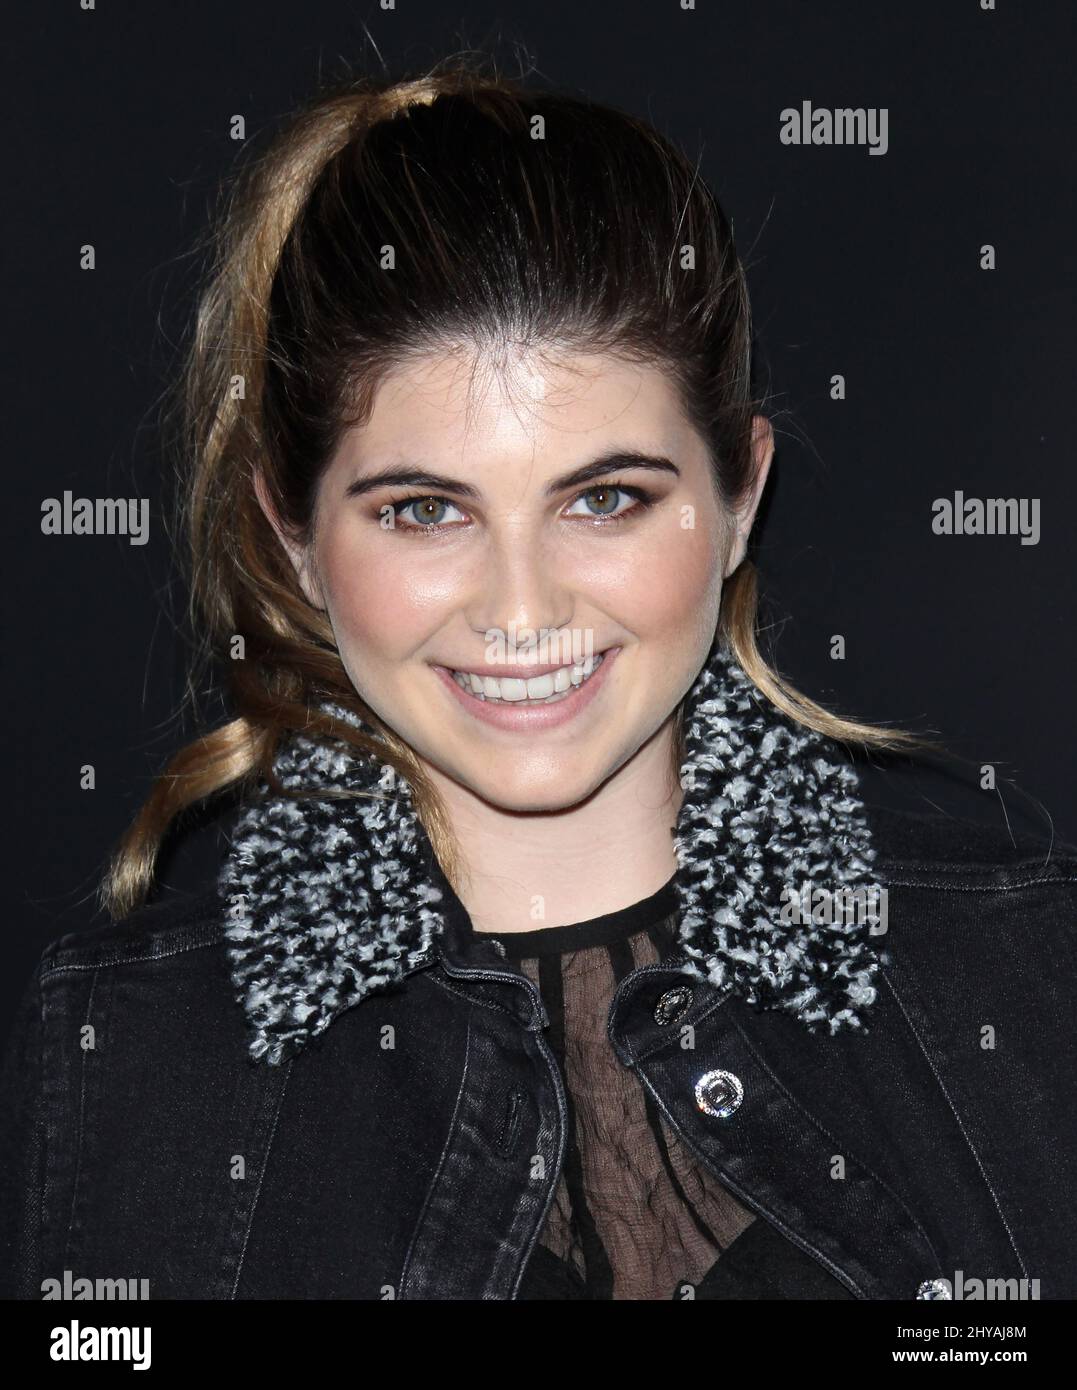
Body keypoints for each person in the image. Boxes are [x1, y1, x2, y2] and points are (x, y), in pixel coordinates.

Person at [2, 59, 1074, 1302]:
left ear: (740, 498)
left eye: (604, 498)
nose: (522, 610)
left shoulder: (1028, 981)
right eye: (423, 510)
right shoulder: (124, 1063)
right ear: (294, 537)